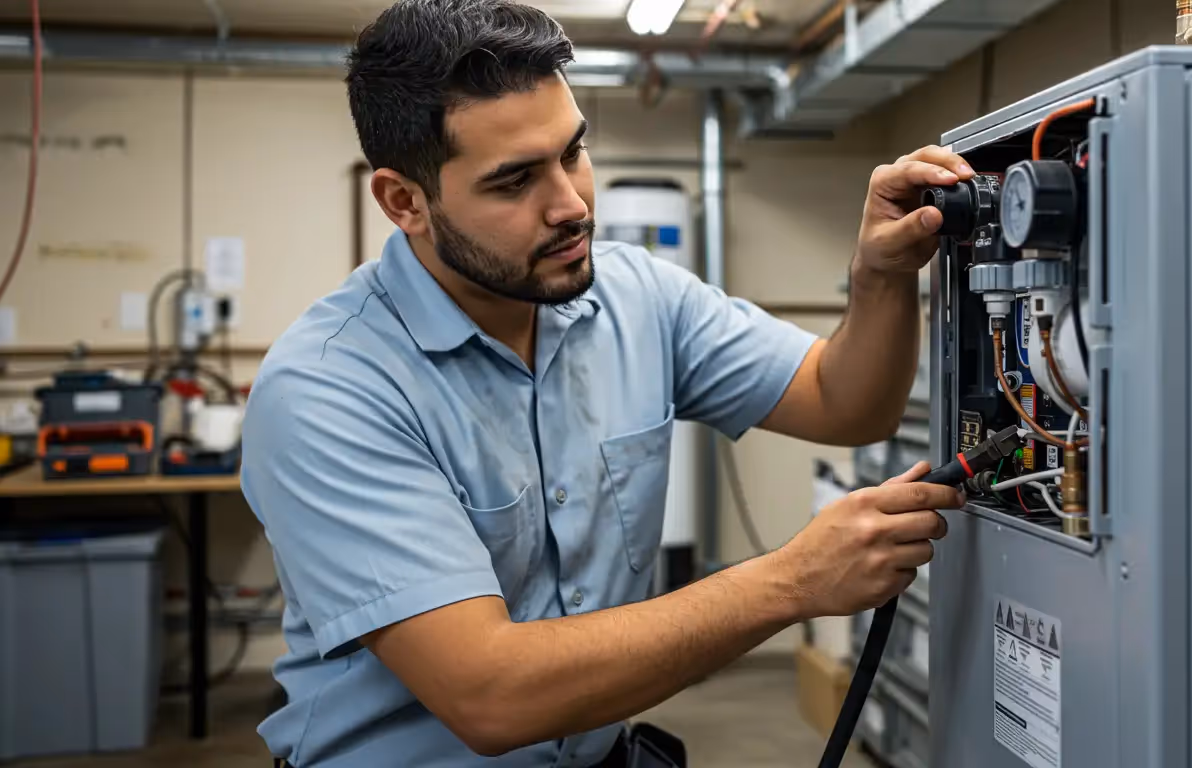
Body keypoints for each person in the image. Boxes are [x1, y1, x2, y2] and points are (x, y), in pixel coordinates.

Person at [241, 1, 974, 765]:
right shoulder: (329, 389)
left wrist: (880, 277)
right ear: (405, 202)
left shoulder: (635, 296)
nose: (572, 205)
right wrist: (791, 582)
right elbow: (490, 694)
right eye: (514, 181)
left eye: (573, 153)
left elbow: (846, 402)